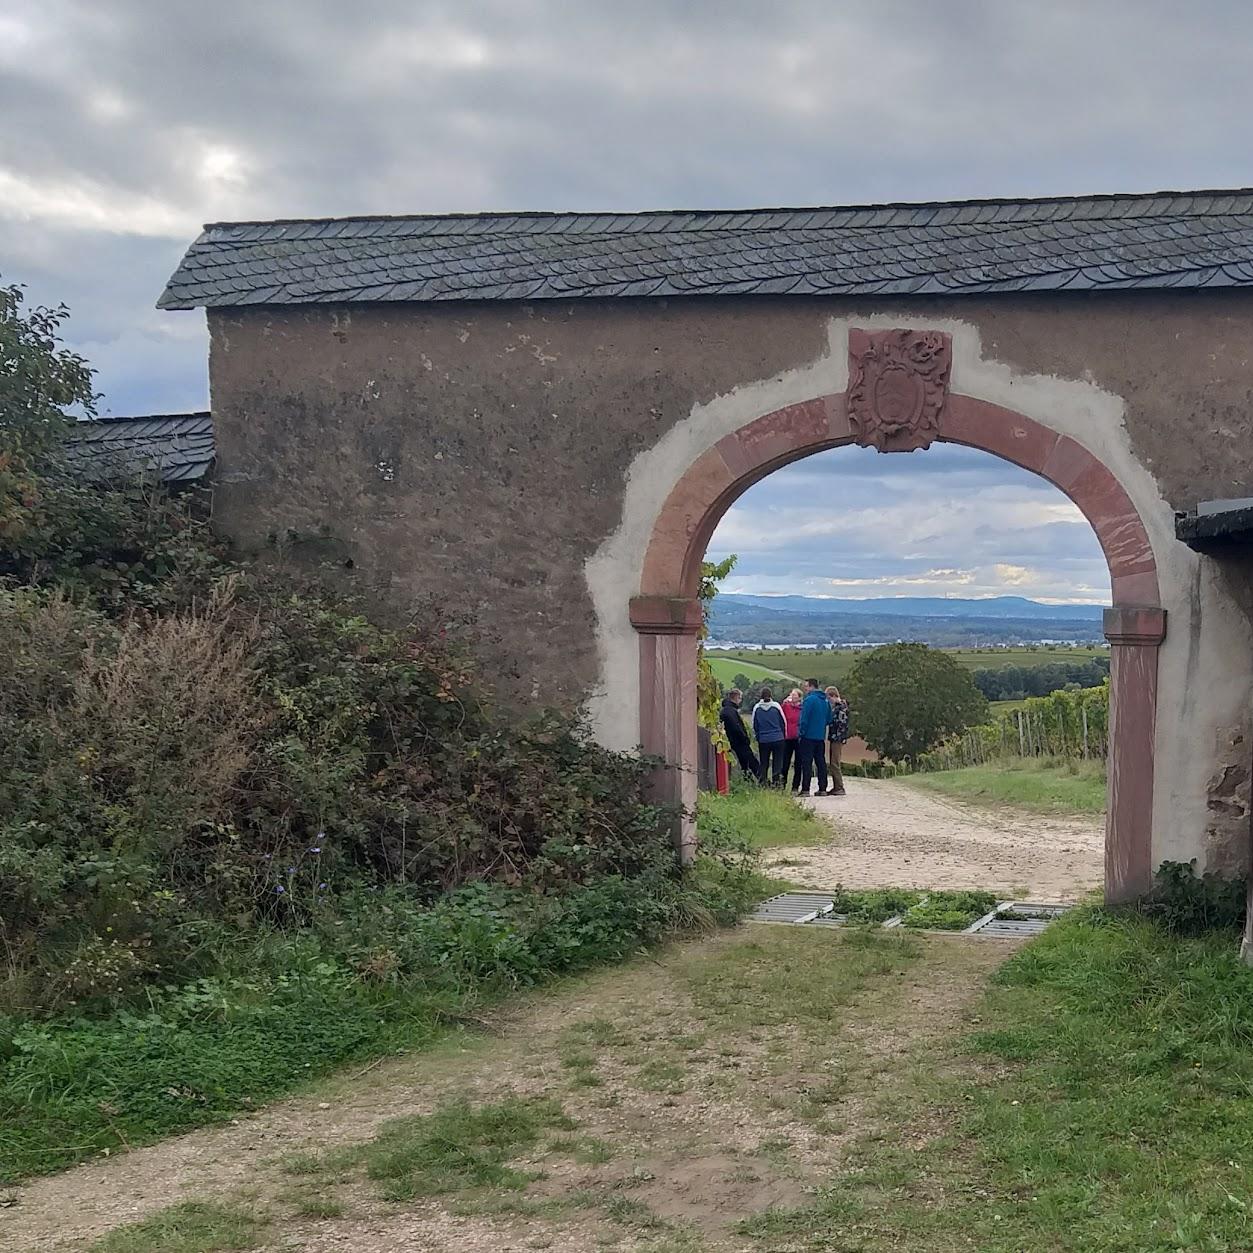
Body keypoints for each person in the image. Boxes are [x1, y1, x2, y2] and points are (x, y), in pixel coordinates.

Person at [796, 678, 833, 796]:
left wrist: (801, 733)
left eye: (806, 686)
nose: (805, 689)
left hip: (808, 736)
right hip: (820, 736)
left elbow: (804, 719)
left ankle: (805, 789)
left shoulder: (809, 700)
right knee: (821, 762)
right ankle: (823, 788)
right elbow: (829, 719)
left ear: (812, 686)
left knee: (806, 763)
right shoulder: (825, 701)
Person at [720, 688, 759, 780]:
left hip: (735, 741)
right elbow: (736, 727)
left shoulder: (726, 710)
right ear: (736, 698)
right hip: (739, 741)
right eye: (740, 698)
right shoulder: (730, 711)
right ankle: (763, 781)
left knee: (745, 763)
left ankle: (748, 780)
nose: (740, 701)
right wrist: (744, 737)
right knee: (751, 762)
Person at [751, 686, 787, 785]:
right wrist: (783, 736)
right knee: (777, 762)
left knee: (764, 762)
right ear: (771, 695)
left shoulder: (757, 708)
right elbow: (783, 722)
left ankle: (763, 782)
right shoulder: (776, 706)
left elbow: (755, 725)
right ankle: (776, 782)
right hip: (778, 738)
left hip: (764, 740)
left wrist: (758, 737)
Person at [825, 686, 850, 797]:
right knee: (833, 762)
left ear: (834, 696)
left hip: (837, 738)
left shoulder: (841, 708)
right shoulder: (839, 707)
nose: (829, 701)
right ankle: (836, 786)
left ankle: (839, 787)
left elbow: (840, 724)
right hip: (835, 737)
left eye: (829, 698)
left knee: (835, 763)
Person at [781, 687, 803, 792]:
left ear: (799, 698)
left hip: (798, 738)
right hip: (787, 737)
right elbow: (780, 715)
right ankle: (782, 785)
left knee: (798, 764)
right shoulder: (786, 706)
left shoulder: (803, 708)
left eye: (795, 695)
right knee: (785, 763)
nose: (792, 696)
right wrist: (784, 703)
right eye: (791, 694)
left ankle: (795, 787)